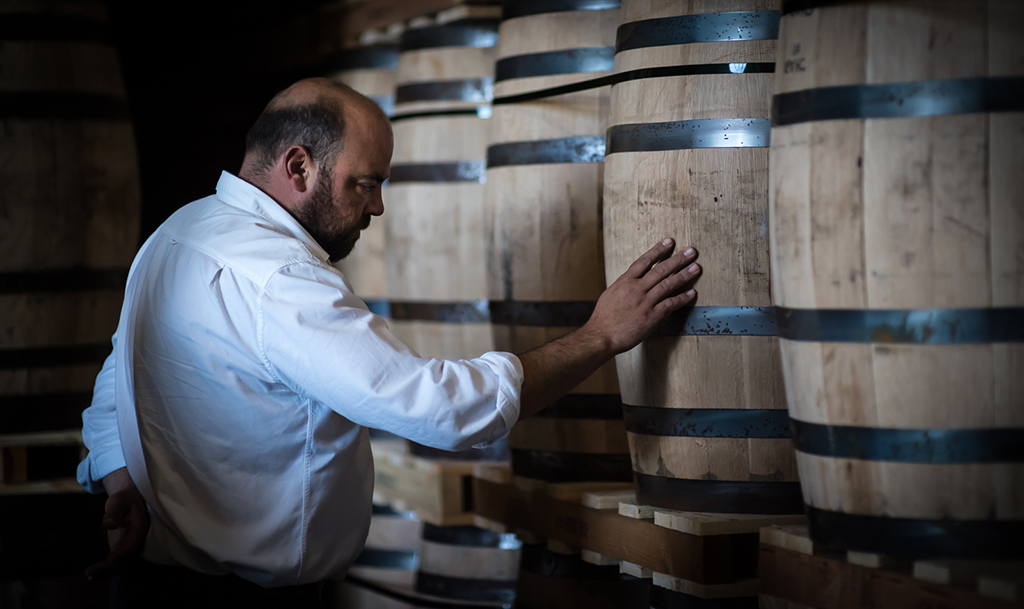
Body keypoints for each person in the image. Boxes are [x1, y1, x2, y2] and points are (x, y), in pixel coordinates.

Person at [77, 78, 702, 607]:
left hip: (149, 581)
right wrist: (600, 337)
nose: (377, 207)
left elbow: (119, 375)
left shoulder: (176, 232)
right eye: (365, 184)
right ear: (299, 166)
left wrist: (121, 480)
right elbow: (439, 408)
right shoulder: (283, 281)